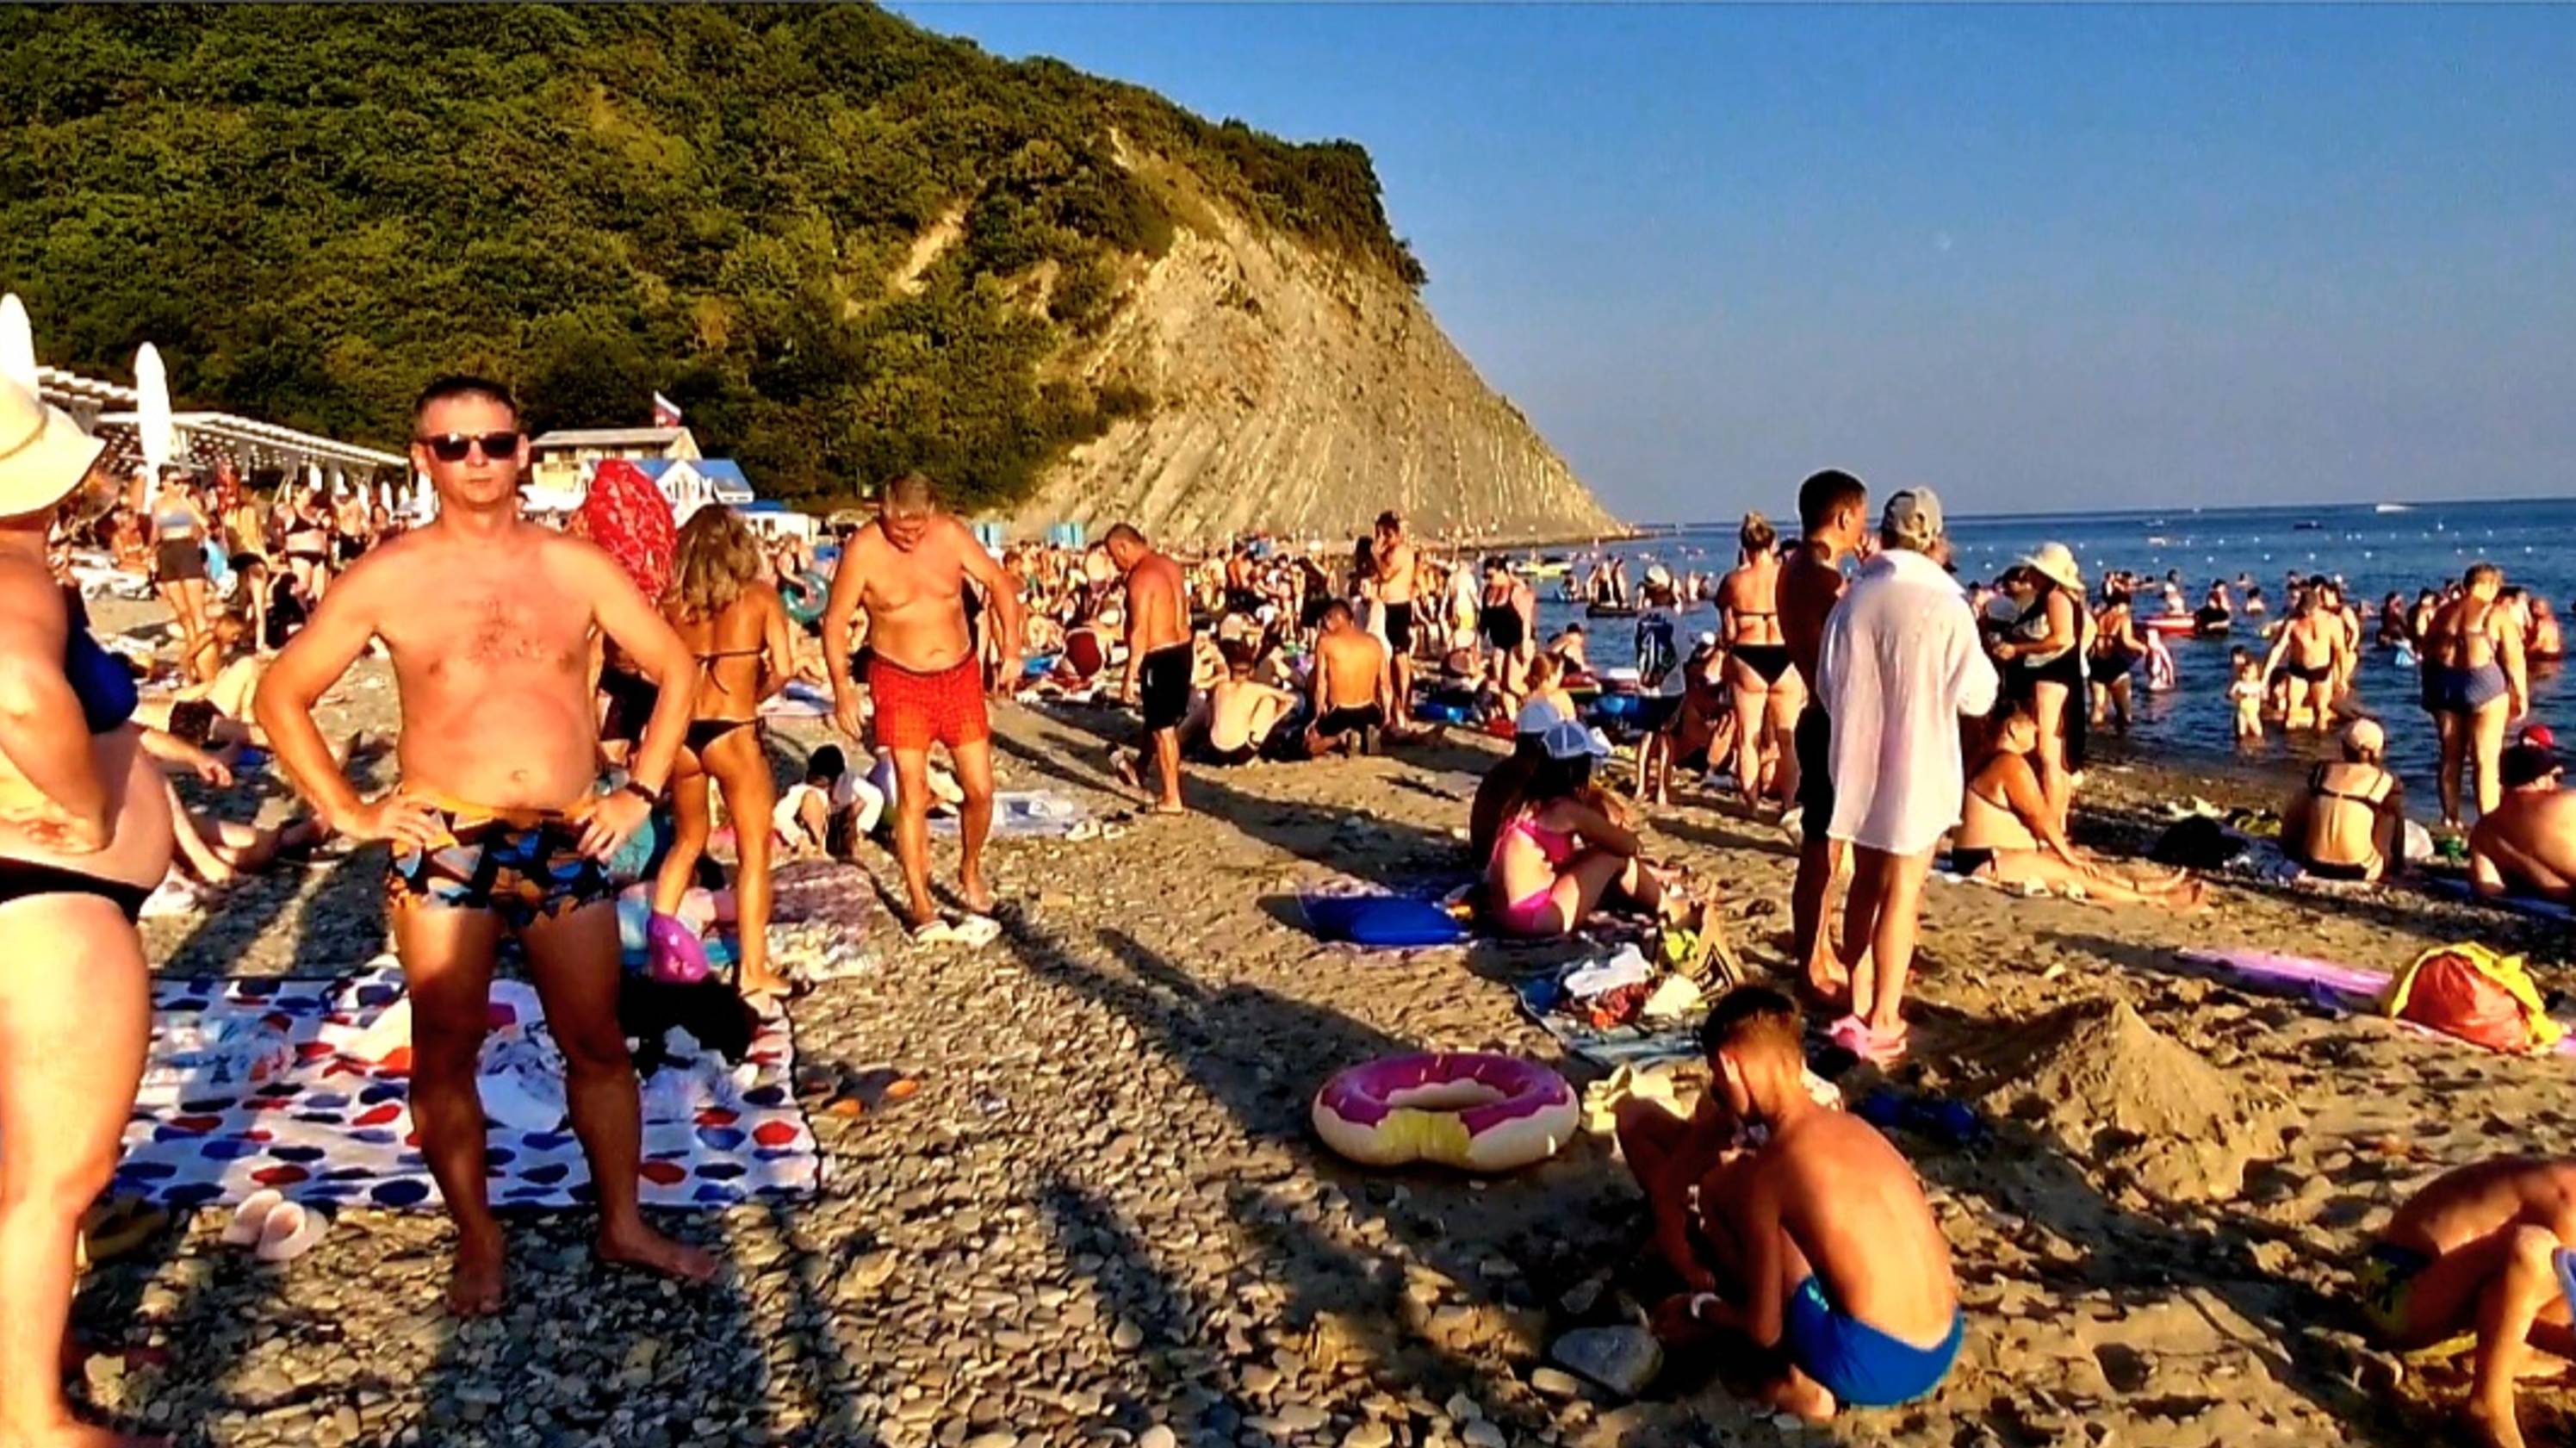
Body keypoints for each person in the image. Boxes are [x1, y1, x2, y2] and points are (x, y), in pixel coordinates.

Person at [253, 375, 715, 1314]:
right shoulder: (389, 576)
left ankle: (622, 1222)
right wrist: (350, 810)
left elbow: (676, 666)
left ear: (522, 451)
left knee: (596, 1039)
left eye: (494, 442)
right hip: (445, 836)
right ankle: (478, 1235)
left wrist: (640, 791)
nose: (476, 460)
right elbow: (280, 693)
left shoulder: (574, 565)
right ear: (422, 458)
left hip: (564, 828)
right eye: (453, 445)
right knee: (445, 1046)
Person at [0, 377, 179, 1448]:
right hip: (50, 906)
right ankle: (31, 1421)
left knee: (17, 1165)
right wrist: (82, 802)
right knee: (60, 1173)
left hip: (29, 901)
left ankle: (34, 1352)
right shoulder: (10, 568)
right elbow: (16, 688)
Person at [1640, 987, 1965, 1418]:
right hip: (1946, 1338)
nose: (1718, 1093)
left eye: (1717, 1081)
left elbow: (1764, 1329)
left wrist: (1705, 1309)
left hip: (1875, 1364)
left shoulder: (1774, 1169)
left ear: (1730, 1066)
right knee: (1808, 1231)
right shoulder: (1858, 1130)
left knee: (1725, 1189)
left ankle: (1798, 1384)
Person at [1816, 488, 1996, 1064]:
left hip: (1859, 757)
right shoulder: (1946, 603)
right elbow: (1978, 695)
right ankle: (1883, 1014)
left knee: (1865, 882)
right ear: (1934, 539)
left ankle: (1858, 997)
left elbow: (1827, 684)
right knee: (1902, 891)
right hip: (1921, 760)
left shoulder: (1854, 599)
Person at [821, 472, 1025, 935]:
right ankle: (920, 902)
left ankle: (969, 869)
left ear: (931, 513)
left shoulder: (949, 535)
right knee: (912, 793)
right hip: (898, 679)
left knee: (980, 789)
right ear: (883, 512)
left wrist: (1012, 648)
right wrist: (842, 688)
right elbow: (835, 622)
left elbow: (998, 582)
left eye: (916, 528)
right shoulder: (864, 550)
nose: (909, 538)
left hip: (959, 675)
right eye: (899, 529)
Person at [647, 507, 797, 1002]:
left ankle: (661, 954)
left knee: (688, 841)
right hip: (733, 729)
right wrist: (754, 692)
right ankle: (752, 970)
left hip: (684, 731)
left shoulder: (672, 605)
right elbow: (784, 667)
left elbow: (650, 667)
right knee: (754, 853)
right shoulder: (760, 598)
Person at [2356, 1155, 2576, 1448]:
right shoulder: (2566, 1205)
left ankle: (2503, 1356)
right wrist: (2565, 1345)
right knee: (2533, 1249)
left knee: (2558, 1274)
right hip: (2398, 1292)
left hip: (2457, 1313)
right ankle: (2488, 1404)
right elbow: (2513, 1307)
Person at [1951, 699, 2206, 907]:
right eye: (2030, 724)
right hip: (1988, 860)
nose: (2037, 730)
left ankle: (2140, 887)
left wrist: (2069, 855)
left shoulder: (1990, 758)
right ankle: (2156, 900)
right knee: (2075, 872)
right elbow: (2040, 817)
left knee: (2083, 864)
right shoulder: (2010, 765)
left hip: (1989, 854)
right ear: (2013, 729)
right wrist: (2069, 856)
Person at [1783, 470, 1868, 1002]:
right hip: (1829, 717)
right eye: (1861, 519)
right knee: (1824, 849)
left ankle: (1817, 951)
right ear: (1843, 517)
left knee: (1826, 848)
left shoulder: (1797, 568)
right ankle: (1811, 962)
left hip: (1818, 712)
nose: (1864, 530)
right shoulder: (1820, 578)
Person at [1486, 721, 1679, 937]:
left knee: (1590, 856)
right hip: (1534, 916)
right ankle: (1673, 909)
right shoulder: (1568, 811)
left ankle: (1661, 885)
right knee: (1611, 857)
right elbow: (1629, 846)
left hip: (1504, 912)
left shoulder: (1526, 801)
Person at [1988, 544, 2087, 832]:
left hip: (2051, 680)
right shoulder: (2063, 597)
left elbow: (2062, 638)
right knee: (2057, 757)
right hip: (2060, 679)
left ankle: (2052, 826)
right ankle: (2058, 824)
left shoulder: (2055, 598)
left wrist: (2017, 650)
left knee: (2048, 755)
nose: (2029, 573)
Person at [2422, 563, 2529, 830]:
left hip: (2444, 683)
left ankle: (2450, 819)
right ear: (2491, 585)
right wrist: (2521, 694)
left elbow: (2427, 653)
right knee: (2485, 760)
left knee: (2450, 756)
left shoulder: (2443, 612)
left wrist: (2428, 690)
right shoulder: (2494, 613)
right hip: (2483, 682)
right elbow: (2514, 657)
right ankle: (2488, 824)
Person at [1718, 513, 1803, 813]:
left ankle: (1753, 805)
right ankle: (1789, 803)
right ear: (1773, 543)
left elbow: (1728, 631)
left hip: (1748, 653)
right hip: (1784, 652)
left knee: (1747, 737)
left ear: (1744, 546)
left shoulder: (1733, 581)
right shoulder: (1789, 576)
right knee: (1787, 738)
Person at [1106, 523, 1190, 812]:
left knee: (1163, 729)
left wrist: (1129, 674)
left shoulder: (1140, 577)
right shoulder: (1171, 566)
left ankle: (1171, 797)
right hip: (1182, 649)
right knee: (1157, 720)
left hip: (1159, 653)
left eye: (1113, 556)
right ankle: (1140, 768)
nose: (1114, 564)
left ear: (1124, 547)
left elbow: (1140, 630)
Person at [2281, 718, 2405, 882]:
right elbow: (2396, 827)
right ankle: (2395, 867)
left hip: (2312, 863)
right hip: (2359, 868)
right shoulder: (2386, 780)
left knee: (2307, 795)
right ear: (2379, 750)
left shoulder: (2322, 770)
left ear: (2345, 747)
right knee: (2390, 813)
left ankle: (2289, 848)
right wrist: (2397, 861)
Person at [2467, 743, 2574, 904]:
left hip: (2562, 897)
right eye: (2556, 777)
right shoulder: (2566, 803)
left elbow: (2488, 888)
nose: (2558, 784)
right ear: (2540, 780)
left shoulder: (2483, 830)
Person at [147, 474, 217, 684]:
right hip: (167, 551)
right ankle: (194, 659)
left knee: (197, 613)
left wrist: (186, 501)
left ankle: (207, 664)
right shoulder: (157, 504)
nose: (181, 486)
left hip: (187, 547)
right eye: (176, 482)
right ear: (165, 484)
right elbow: (155, 532)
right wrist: (151, 554)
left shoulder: (191, 501)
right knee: (183, 614)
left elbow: (205, 525)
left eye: (184, 482)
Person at [1189, 642, 1300, 765]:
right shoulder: (1254, 688)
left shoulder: (1221, 687)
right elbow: (1291, 699)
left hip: (1215, 750)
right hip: (1240, 752)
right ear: (1251, 672)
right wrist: (1274, 719)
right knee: (1269, 702)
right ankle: (1257, 744)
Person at [1305, 600, 1391, 758]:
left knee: (1309, 745)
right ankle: (1365, 733)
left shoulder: (1325, 642)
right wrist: (1386, 717)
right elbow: (1385, 686)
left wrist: (1318, 718)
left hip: (1341, 713)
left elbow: (1320, 685)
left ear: (1330, 619)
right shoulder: (1374, 642)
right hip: (1371, 711)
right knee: (1373, 726)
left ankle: (1340, 739)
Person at [2261, 593, 2348, 732]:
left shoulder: (2332, 622)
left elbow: (2340, 650)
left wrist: (2342, 678)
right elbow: (2278, 648)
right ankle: (2289, 743)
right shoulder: (2293, 622)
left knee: (2321, 711)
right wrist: (2265, 676)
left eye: (2309, 611)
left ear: (2318, 606)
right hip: (2298, 671)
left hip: (2321, 671)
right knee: (2291, 712)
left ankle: (2320, 743)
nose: (2306, 613)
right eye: (2304, 610)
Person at [1370, 512, 1418, 728]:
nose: (1381, 540)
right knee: (1389, 659)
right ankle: (1394, 704)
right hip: (1387, 605)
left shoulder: (1401, 552)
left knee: (1400, 659)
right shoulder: (1389, 552)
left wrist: (1375, 555)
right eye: (1378, 534)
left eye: (1385, 535)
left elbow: (1387, 574)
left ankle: (1403, 703)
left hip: (1398, 606)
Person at [2088, 582, 2145, 733]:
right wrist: (2143, 647)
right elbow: (2127, 641)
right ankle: (2123, 740)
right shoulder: (2122, 618)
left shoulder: (2098, 617)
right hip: (2115, 663)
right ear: (2122, 604)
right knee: (2125, 712)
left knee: (2098, 709)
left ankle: (2095, 739)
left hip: (2096, 663)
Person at [2229, 647, 2265, 742]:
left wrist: (2259, 696)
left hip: (2254, 712)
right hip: (2242, 711)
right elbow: (2230, 694)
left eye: (2239, 657)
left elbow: (2264, 694)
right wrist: (2240, 696)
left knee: (2258, 733)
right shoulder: (2238, 681)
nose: (2236, 661)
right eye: (2234, 658)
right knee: (2241, 734)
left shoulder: (2256, 680)